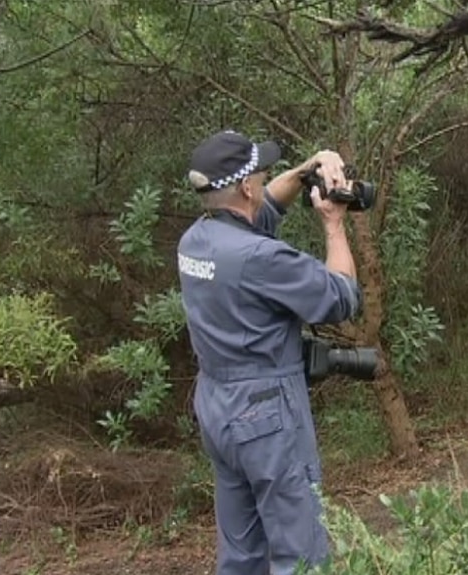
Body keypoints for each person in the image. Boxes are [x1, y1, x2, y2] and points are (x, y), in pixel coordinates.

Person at [176, 129, 361, 575]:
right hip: (266, 413)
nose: (264, 179)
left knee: (242, 556)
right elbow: (341, 299)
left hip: (218, 407)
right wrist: (334, 224)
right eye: (260, 173)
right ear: (244, 186)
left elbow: (270, 206)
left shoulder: (197, 242)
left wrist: (305, 171)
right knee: (300, 554)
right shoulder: (262, 258)